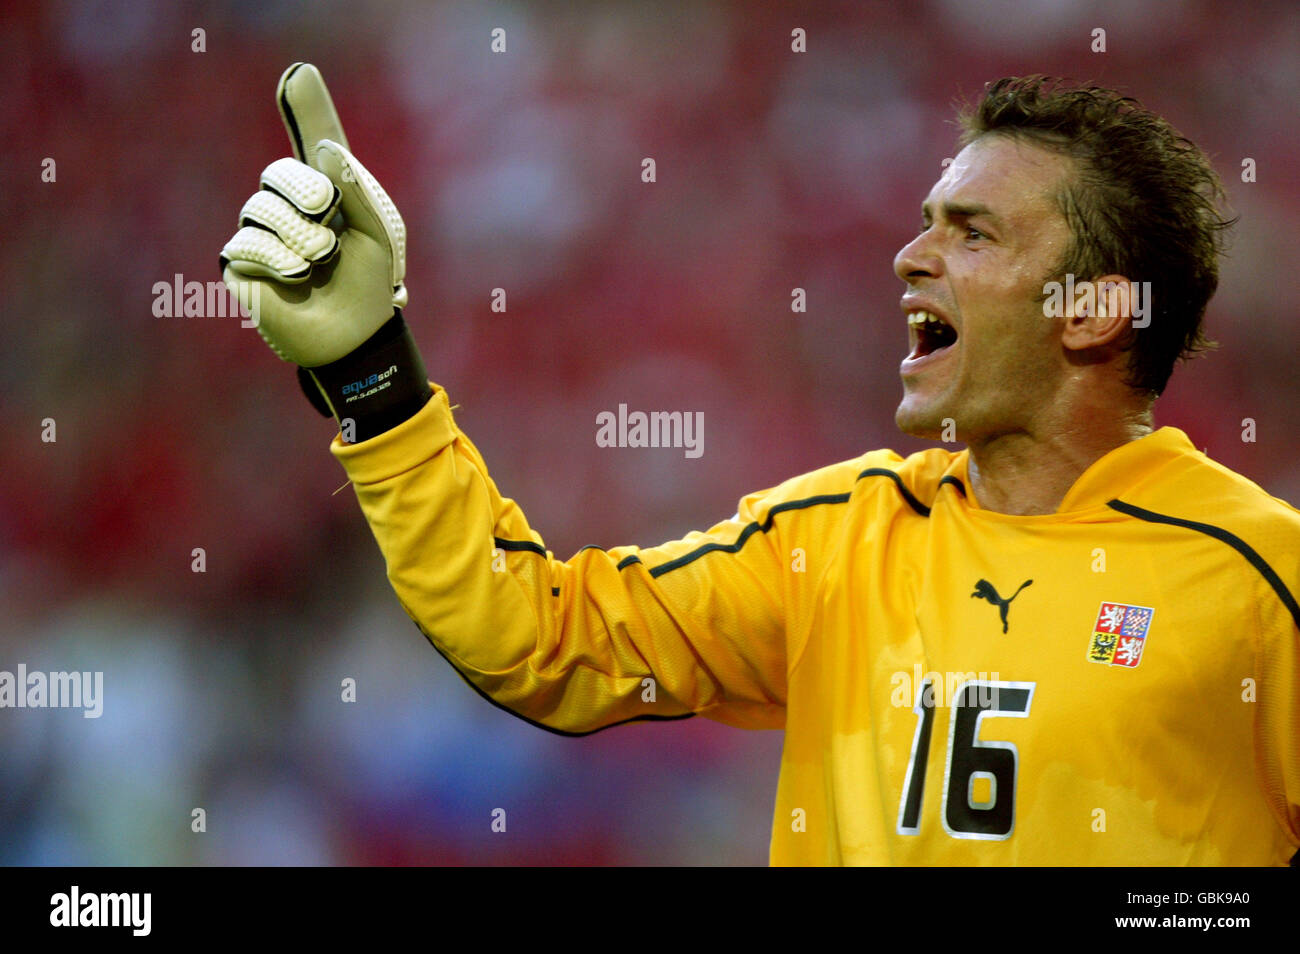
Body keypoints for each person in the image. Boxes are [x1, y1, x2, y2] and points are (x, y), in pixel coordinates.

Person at [220, 65, 1299, 865]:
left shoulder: (1256, 574)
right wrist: (374, 374)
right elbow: (533, 633)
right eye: (925, 223)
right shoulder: (836, 537)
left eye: (972, 234)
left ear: (1092, 310)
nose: (909, 254)